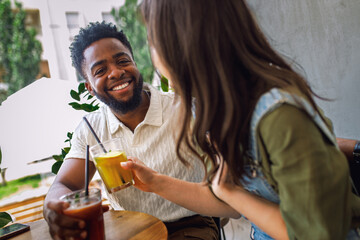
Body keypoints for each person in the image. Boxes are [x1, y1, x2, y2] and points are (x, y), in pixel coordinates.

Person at [120, 1, 360, 239]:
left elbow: (315, 235)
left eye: (153, 40)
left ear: (183, 42)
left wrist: (231, 193)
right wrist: (155, 183)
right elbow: (230, 201)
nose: (153, 57)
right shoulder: (215, 108)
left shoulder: (278, 115)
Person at [43, 22, 234, 240]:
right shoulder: (90, 129)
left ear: (134, 63)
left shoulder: (186, 110)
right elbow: (65, 184)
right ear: (89, 87)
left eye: (122, 61)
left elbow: (233, 192)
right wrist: (53, 207)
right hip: (129, 231)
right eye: (101, 70)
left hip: (189, 227)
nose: (116, 72)